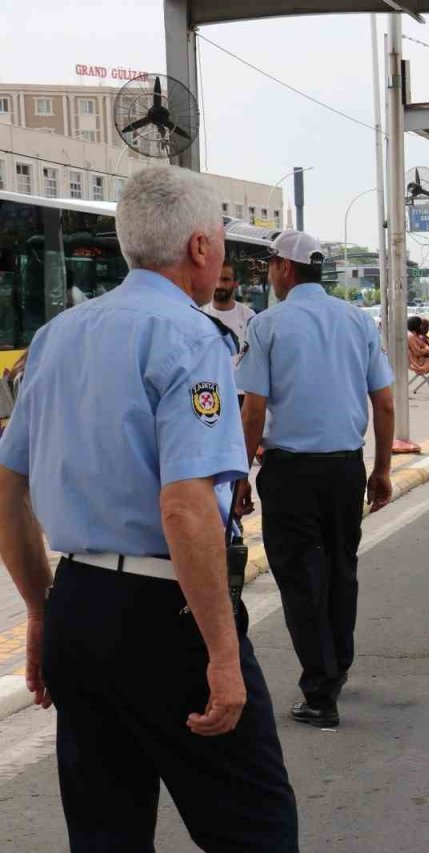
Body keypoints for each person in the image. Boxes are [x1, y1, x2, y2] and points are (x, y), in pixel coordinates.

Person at [0, 166, 298, 850]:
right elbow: (186, 507)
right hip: (167, 615)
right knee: (256, 828)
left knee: (106, 831)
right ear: (200, 247)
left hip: (77, 601)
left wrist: (43, 612)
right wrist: (222, 652)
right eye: (221, 235)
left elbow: (8, 487)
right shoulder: (192, 339)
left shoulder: (55, 338)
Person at [236, 228, 395, 730]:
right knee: (341, 569)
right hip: (346, 468)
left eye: (270, 266)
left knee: (302, 578)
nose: (268, 274)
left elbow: (252, 412)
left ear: (285, 268)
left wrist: (238, 477)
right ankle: (337, 665)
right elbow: (385, 402)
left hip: (290, 473)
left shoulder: (266, 325)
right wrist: (383, 469)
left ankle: (320, 693)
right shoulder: (356, 321)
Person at [203, 261, 256, 369]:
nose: (219, 285)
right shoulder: (198, 314)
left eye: (225, 280)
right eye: (215, 279)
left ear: (236, 283)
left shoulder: (248, 317)